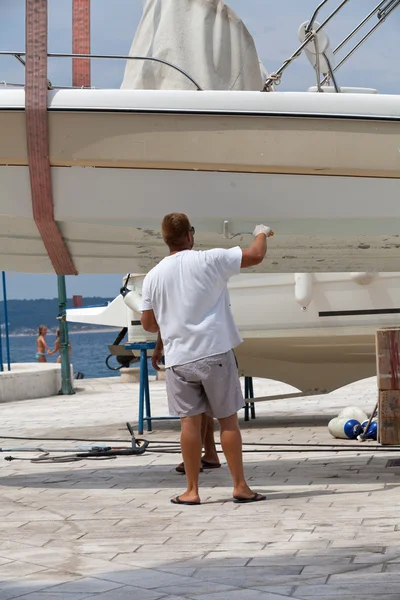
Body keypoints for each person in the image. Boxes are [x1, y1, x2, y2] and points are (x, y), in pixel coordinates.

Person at [141, 213, 272, 505]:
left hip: (179, 360)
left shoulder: (153, 276)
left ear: (165, 240)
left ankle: (192, 491)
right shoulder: (209, 260)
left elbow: (149, 324)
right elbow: (256, 255)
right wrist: (262, 231)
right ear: (190, 235)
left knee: (189, 423)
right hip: (214, 352)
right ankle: (240, 486)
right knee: (227, 422)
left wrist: (167, 332)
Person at [152, 342, 221, 473]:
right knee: (204, 405)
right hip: (209, 348)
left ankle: (194, 461)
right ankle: (210, 453)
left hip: (185, 353)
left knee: (192, 412)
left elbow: (154, 324)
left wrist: (158, 348)